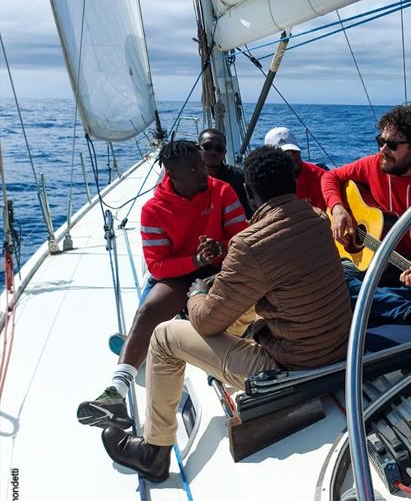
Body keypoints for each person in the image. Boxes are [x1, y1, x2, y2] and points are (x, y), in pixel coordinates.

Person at [100, 146, 352, 482]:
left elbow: (205, 320)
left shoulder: (250, 244)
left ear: (249, 192)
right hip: (338, 352)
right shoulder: (319, 221)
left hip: (293, 370)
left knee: (164, 336)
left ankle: (153, 452)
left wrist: (197, 293)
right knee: (241, 302)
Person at [76, 140, 248, 430]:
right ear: (172, 174)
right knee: (149, 311)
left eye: (202, 165)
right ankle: (115, 392)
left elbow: (241, 236)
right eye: (194, 168)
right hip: (183, 273)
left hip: (223, 265)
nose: (203, 172)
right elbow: (157, 266)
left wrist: (221, 248)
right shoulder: (153, 209)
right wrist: (195, 260)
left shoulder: (222, 190)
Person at [321, 104, 411, 327]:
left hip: (407, 262)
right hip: (370, 260)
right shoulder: (372, 165)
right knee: (334, 278)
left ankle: (379, 298)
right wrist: (337, 208)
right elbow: (330, 177)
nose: (383, 150)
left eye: (392, 144)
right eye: (381, 141)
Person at [264, 126, 327, 211]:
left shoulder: (320, 176)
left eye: (293, 151)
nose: (291, 157)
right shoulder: (265, 183)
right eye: (284, 154)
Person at [198, 128, 253, 218]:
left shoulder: (239, 177)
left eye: (219, 148)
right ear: (198, 149)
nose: (213, 152)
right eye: (207, 146)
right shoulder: (189, 179)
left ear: (224, 152)